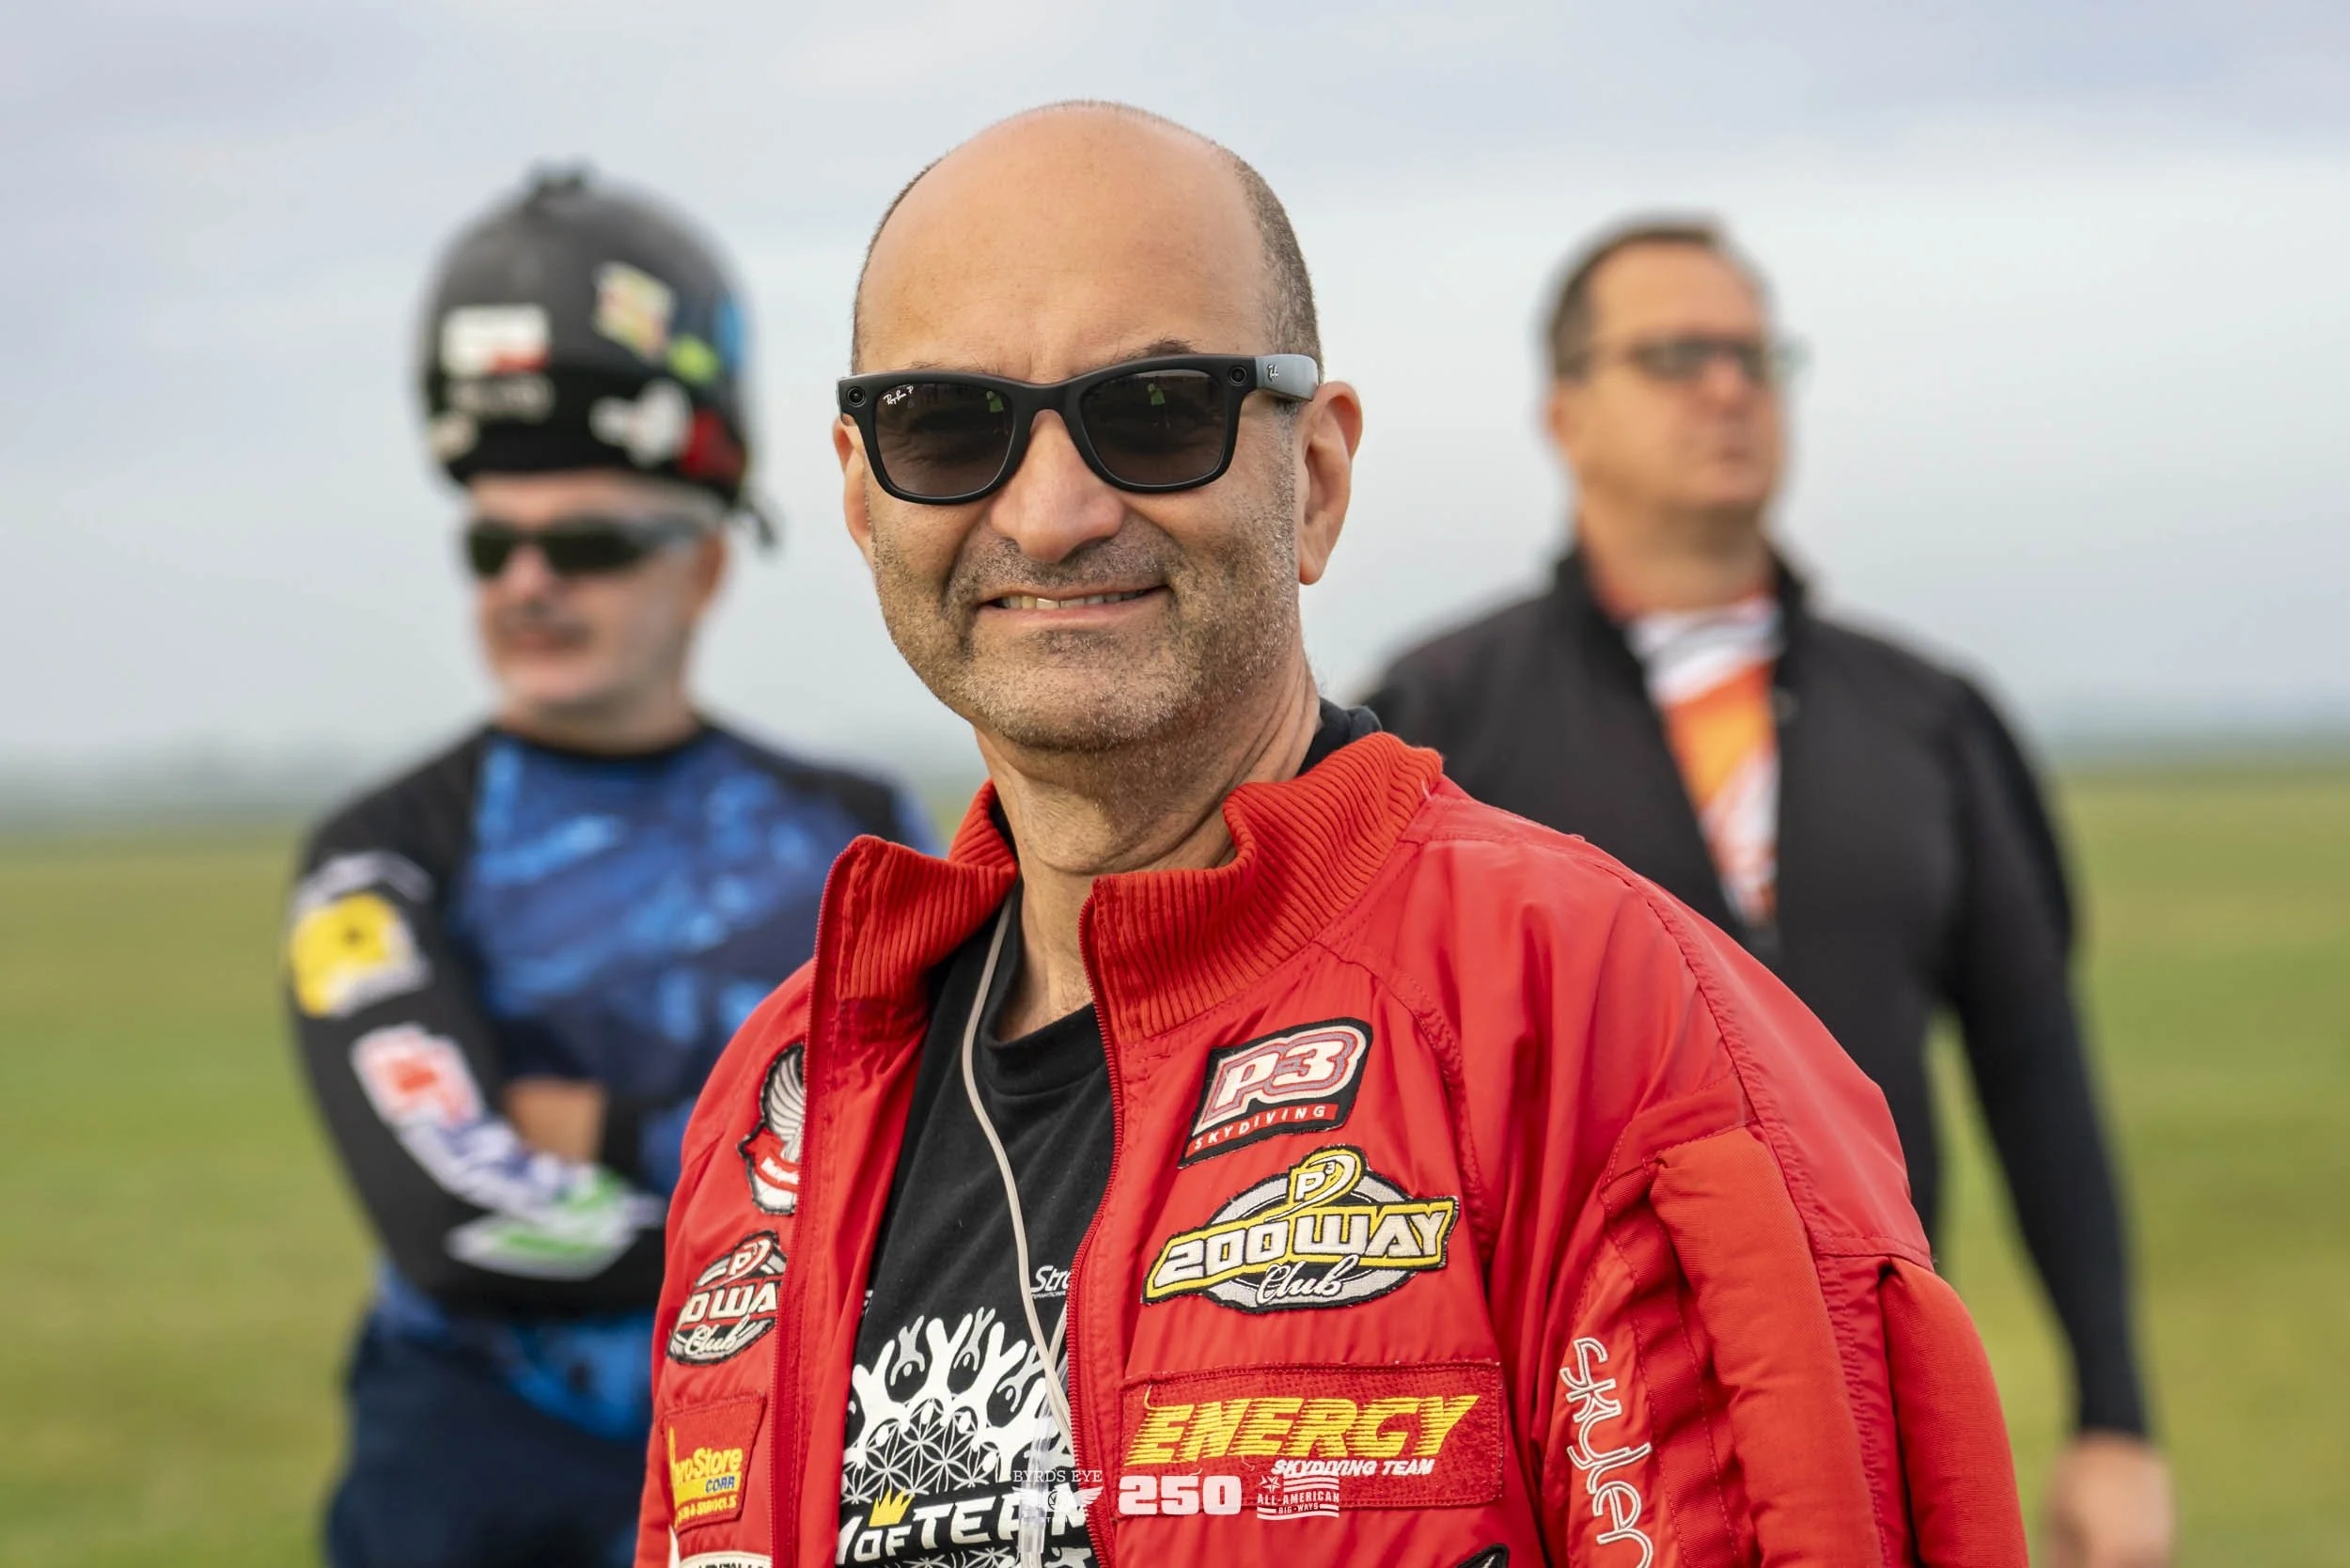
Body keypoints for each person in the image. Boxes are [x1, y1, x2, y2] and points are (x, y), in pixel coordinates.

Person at [634, 104, 2027, 1568]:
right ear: (863, 499)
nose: (1049, 514)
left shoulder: (1609, 1028)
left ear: (1316, 478)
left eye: (1155, 410)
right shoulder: (776, 1107)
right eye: (947, 425)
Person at [1365, 217, 2171, 1567]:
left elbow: (2036, 1068)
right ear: (1567, 414)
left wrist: (2115, 1417)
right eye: (1677, 356)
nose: (1730, 388)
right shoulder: (1438, 719)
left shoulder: (1931, 718)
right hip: (1567, 1444)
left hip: (1877, 1422)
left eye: (1755, 356)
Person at [283, 168, 933, 1568]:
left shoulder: (865, 835)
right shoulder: (377, 858)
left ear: (704, 567)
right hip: (475, 1489)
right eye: (492, 541)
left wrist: (605, 1129)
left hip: (785, 1474)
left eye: (586, 542)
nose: (529, 581)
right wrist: (787, 1191)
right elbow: (457, 1220)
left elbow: (942, 1157)